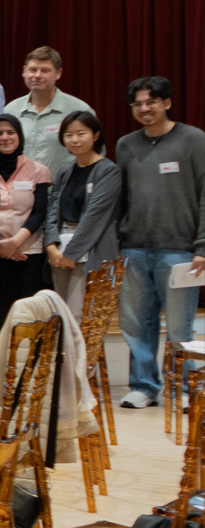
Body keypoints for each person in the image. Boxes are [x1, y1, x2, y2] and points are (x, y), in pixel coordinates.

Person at [114, 76, 205, 408]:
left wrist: (202, 247)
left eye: (151, 101)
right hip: (133, 248)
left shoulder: (194, 139)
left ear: (167, 103)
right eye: (137, 103)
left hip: (180, 250)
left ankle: (185, 391)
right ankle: (144, 387)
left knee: (180, 327)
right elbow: (119, 199)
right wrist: (117, 245)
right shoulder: (126, 145)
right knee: (137, 324)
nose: (144, 108)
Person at [45, 112, 120, 316]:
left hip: (90, 248)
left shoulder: (108, 171)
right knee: (60, 314)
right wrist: (51, 246)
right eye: (69, 135)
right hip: (60, 250)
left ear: (95, 135)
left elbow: (94, 216)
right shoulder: (64, 172)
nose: (74, 140)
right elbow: (52, 211)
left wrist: (71, 253)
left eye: (81, 133)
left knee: (80, 315)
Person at [0, 114, 53, 334]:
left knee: (28, 316)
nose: (5, 137)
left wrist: (15, 242)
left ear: (20, 136)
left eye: (10, 132)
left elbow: (40, 212)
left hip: (28, 253)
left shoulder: (38, 170)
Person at [5, 46, 94, 174]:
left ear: (58, 73)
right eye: (33, 70)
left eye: (45, 70)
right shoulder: (11, 110)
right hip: (22, 185)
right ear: (24, 71)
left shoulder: (79, 110)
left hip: (66, 185)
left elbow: (95, 155)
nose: (37, 75)